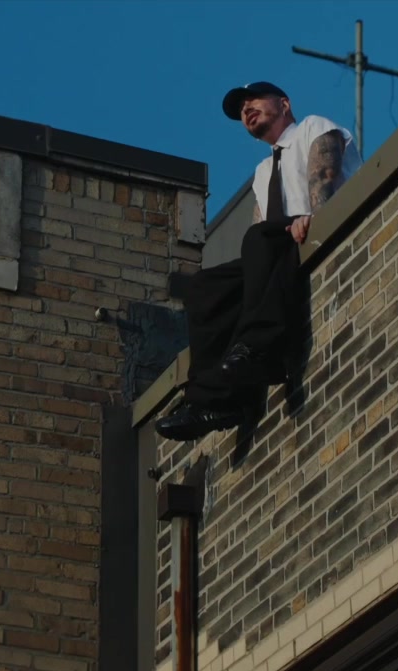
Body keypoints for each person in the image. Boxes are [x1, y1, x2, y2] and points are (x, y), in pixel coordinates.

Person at [156, 82, 362, 442]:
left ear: (284, 103)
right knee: (206, 286)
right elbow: (258, 241)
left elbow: (325, 178)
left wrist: (317, 219)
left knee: (260, 238)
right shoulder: (264, 171)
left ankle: (257, 349)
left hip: (313, 231)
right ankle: (209, 400)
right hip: (279, 246)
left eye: (255, 100)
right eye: (241, 108)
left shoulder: (313, 127)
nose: (246, 109)